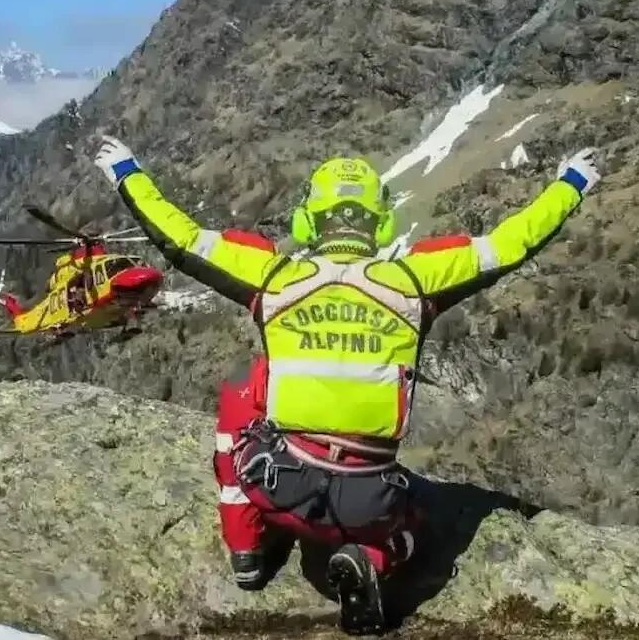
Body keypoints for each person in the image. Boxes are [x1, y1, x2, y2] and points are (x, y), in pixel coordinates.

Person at [93, 136, 602, 634]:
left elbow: (179, 237)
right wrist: (571, 184)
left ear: (309, 220)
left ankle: (247, 549)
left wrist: (127, 173)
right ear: (381, 222)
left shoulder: (272, 275)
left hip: (280, 485)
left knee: (242, 395)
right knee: (412, 524)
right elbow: (513, 243)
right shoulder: (418, 278)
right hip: (370, 503)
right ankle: (371, 558)